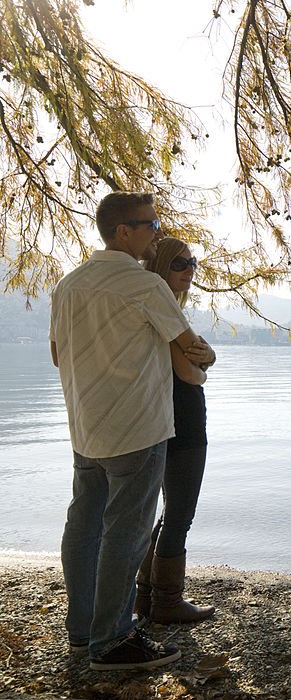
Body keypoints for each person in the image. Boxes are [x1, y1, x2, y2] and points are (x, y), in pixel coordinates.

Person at [49, 192, 213, 671]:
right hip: (138, 428)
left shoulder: (69, 284)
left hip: (86, 429)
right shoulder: (144, 285)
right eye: (151, 225)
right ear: (123, 231)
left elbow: (59, 355)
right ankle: (114, 638)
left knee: (83, 529)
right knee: (128, 532)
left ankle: (82, 634)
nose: (157, 232)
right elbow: (189, 350)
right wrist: (207, 359)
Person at [137, 238, 216, 623]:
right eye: (180, 263)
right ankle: (167, 604)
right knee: (180, 512)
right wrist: (206, 367)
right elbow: (189, 373)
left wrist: (207, 356)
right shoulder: (165, 312)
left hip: (155, 419)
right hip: (182, 423)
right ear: (161, 268)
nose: (189, 270)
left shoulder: (150, 309)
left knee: (168, 511)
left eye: (193, 262)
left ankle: (145, 596)